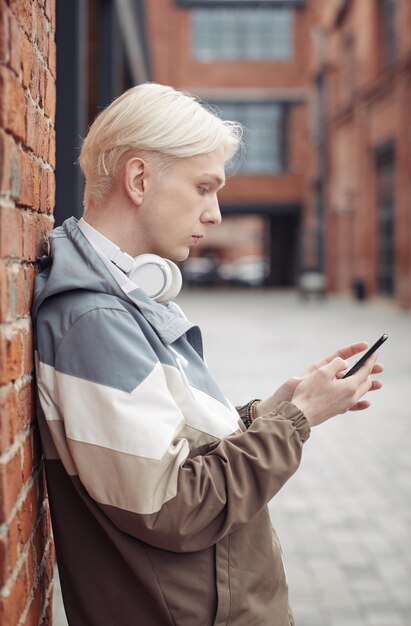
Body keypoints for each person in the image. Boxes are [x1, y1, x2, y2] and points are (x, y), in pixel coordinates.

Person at [32, 83, 383, 626]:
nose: (215, 214)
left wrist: (269, 410)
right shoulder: (95, 321)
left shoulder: (118, 301)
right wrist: (298, 419)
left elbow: (171, 446)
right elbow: (174, 503)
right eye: (203, 187)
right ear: (139, 179)